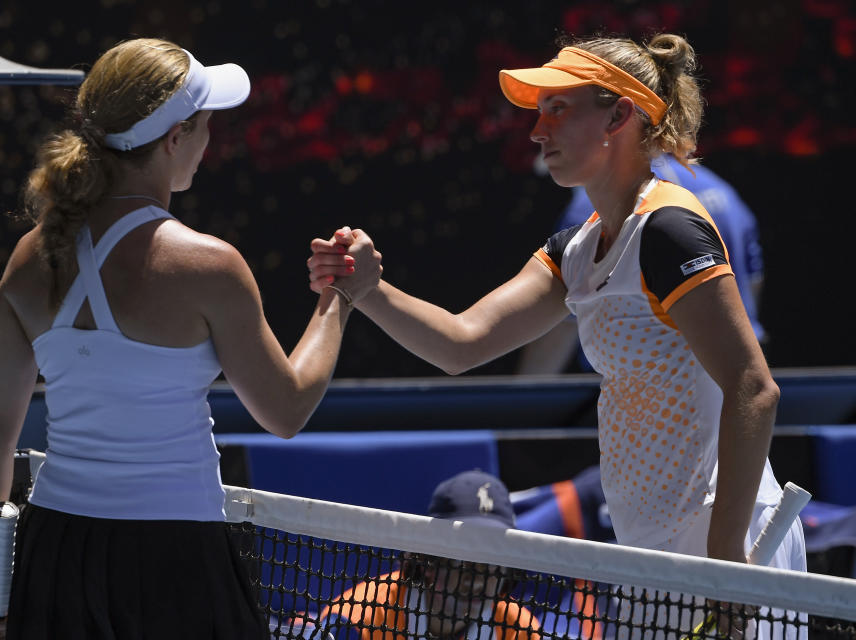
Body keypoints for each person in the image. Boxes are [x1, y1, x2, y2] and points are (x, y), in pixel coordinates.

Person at [309, 31, 806, 592]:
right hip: (648, 549)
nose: (537, 129)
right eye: (540, 112)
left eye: (558, 110)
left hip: (723, 543)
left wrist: (723, 554)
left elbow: (753, 387)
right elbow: (459, 344)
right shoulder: (575, 249)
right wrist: (369, 288)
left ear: (619, 115)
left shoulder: (668, 228)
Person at [0, 38, 381, 640]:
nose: (209, 143)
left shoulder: (29, 258)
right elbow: (286, 410)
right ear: (174, 139)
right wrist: (343, 297)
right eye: (207, 126)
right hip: (175, 560)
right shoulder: (210, 267)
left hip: (54, 553)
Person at [517, 152, 766, 374]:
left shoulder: (595, 207)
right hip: (737, 375)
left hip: (655, 388)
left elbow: (563, 322)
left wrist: (525, 407)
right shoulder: (722, 191)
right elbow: (750, 283)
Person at [315, 470, 543, 639]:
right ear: (429, 561)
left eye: (494, 557)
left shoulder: (521, 631)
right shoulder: (354, 622)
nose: (479, 577)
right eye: (467, 556)